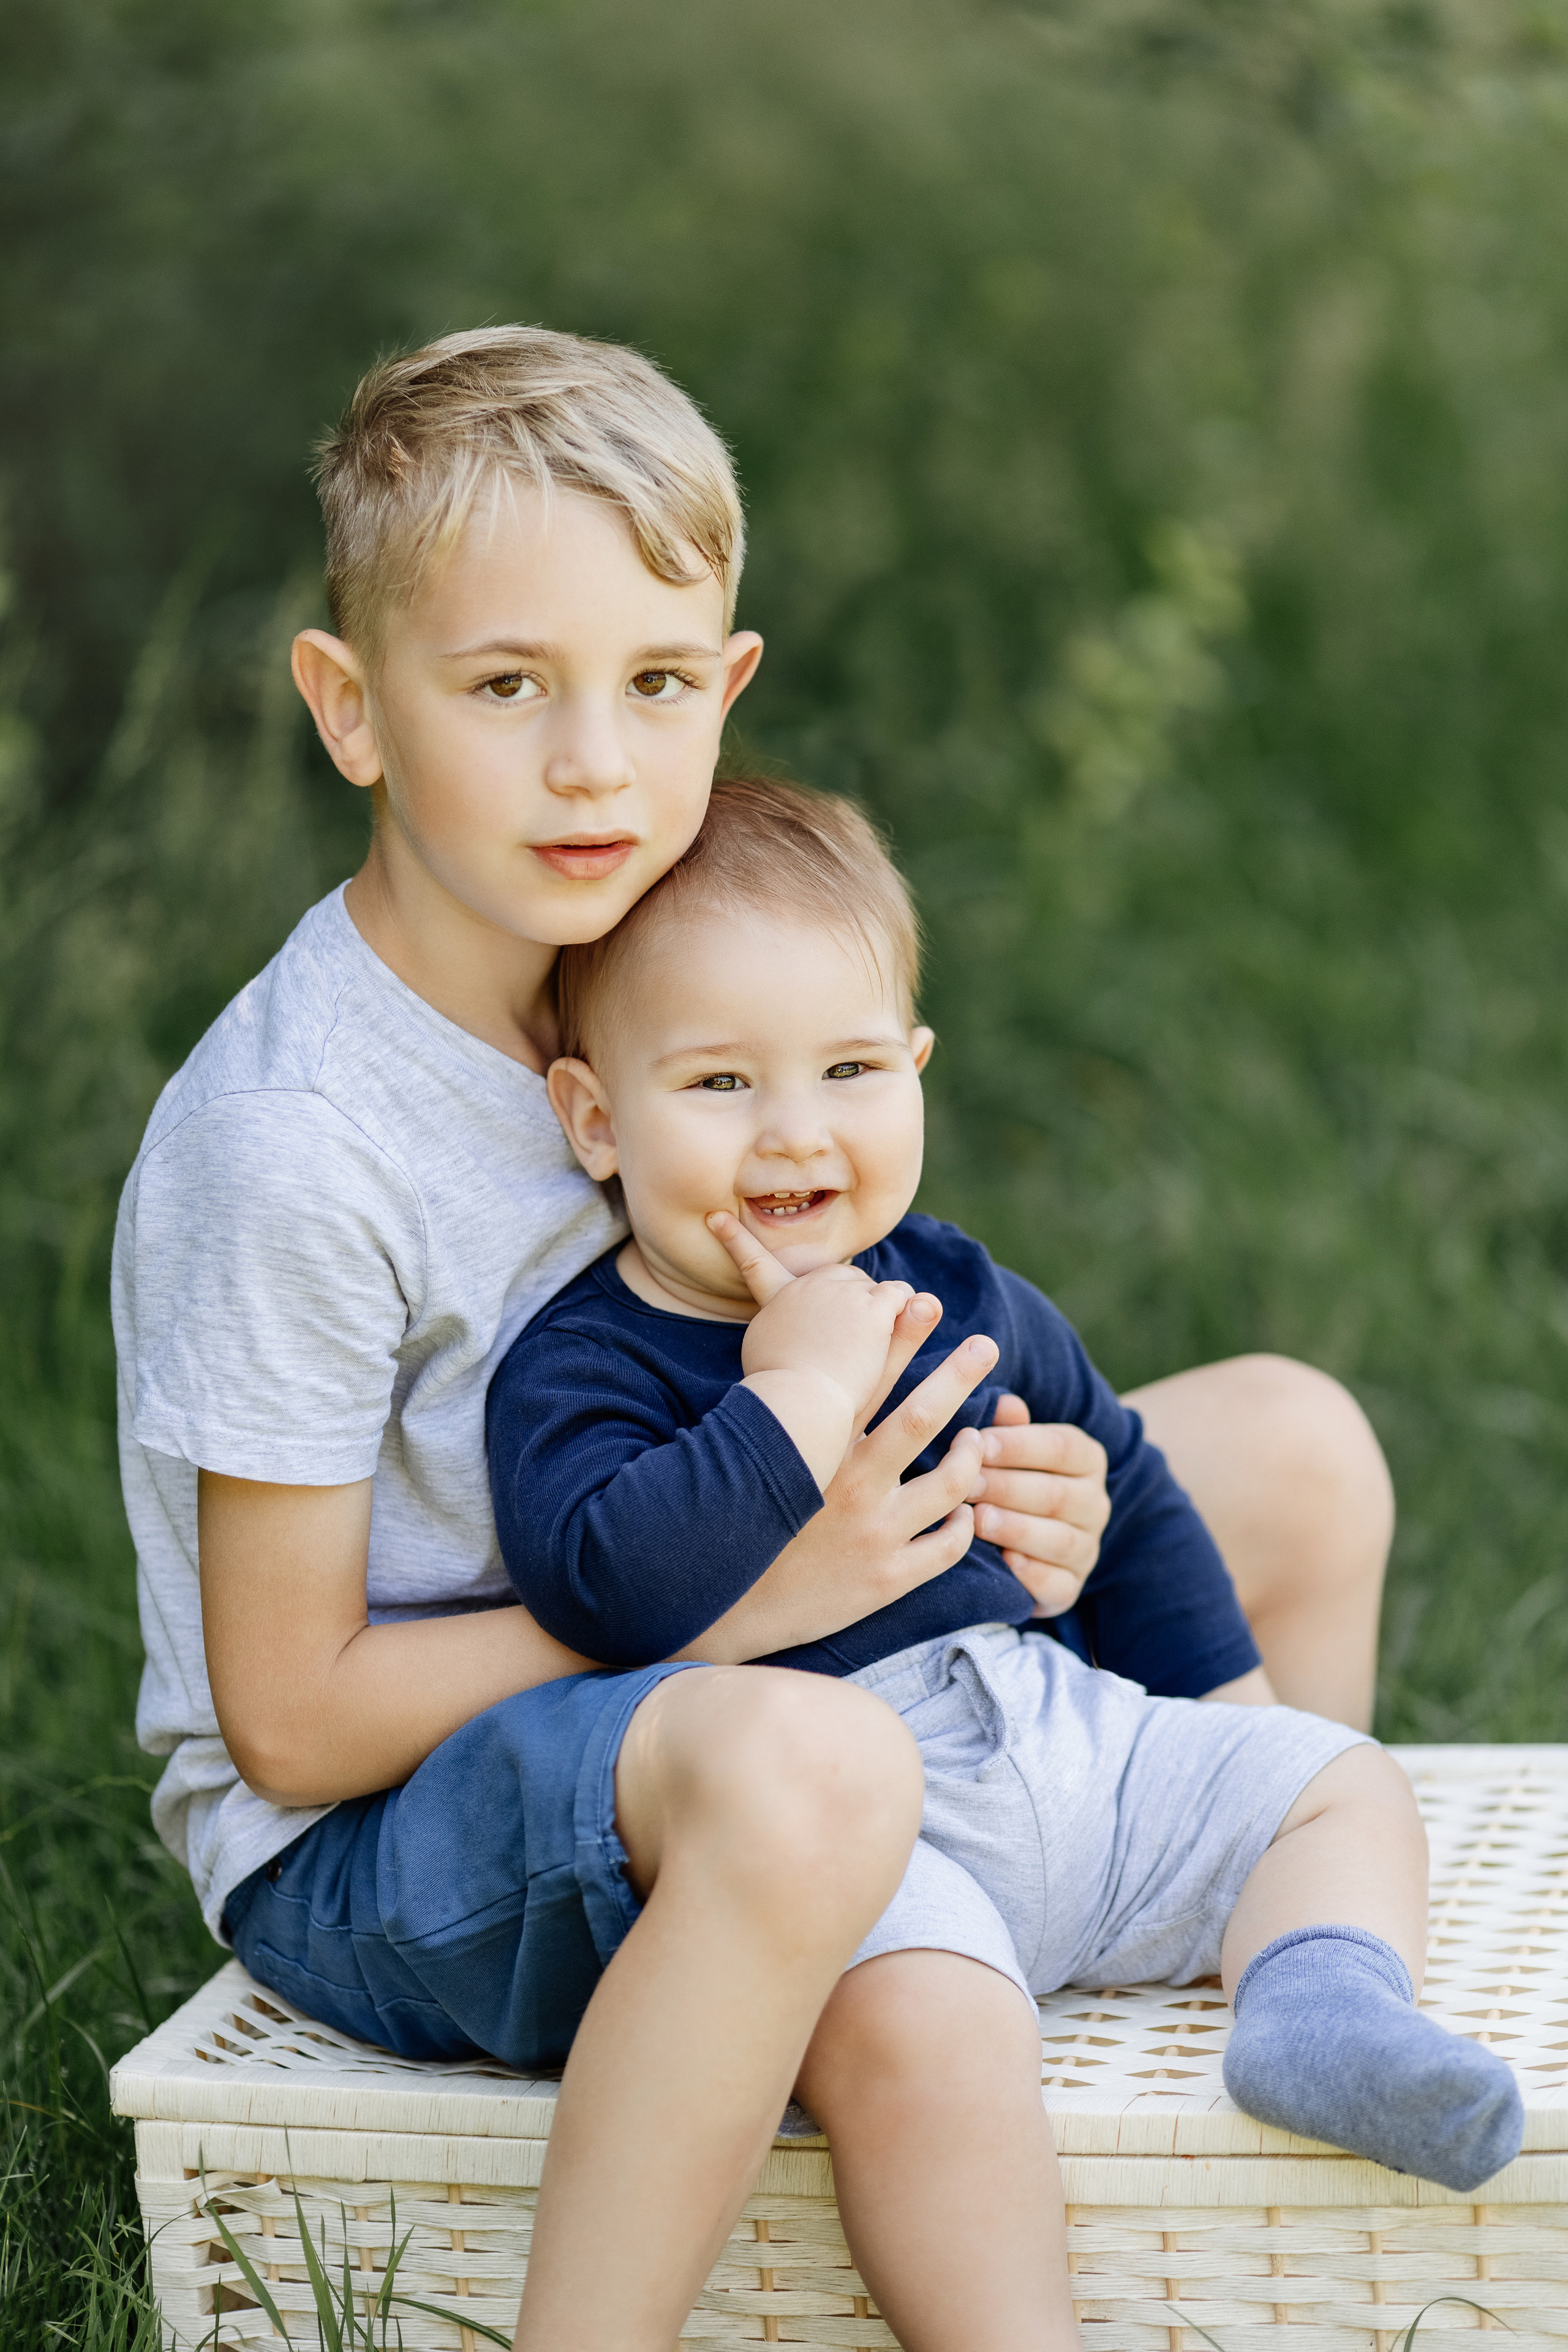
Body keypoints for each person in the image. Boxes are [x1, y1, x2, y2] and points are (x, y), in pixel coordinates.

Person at [111, 322, 1384, 2352]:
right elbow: (292, 1721)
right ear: (351, 709)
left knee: (1296, 1452)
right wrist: (760, 1607)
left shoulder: (656, 945)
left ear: (730, 684)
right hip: (388, 1833)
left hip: (737, 1631)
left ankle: (1247, 2011)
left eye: (655, 682)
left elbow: (822, 1284)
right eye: (506, 687)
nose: (593, 763)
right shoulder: (297, 1147)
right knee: (809, 1757)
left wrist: (1013, 1510)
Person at [488, 774, 1523, 2345]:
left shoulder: (955, 1285)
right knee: (926, 2041)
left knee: (1335, 1784)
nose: (794, 1130)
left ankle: (1317, 2003)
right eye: (718, 1082)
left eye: (848, 1069)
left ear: (914, 1072)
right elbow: (599, 1587)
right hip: (856, 1838)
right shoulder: (583, 1366)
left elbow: (1132, 1484)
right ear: (593, 1119)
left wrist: (1228, 1732)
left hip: (1051, 1730)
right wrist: (796, 1392)